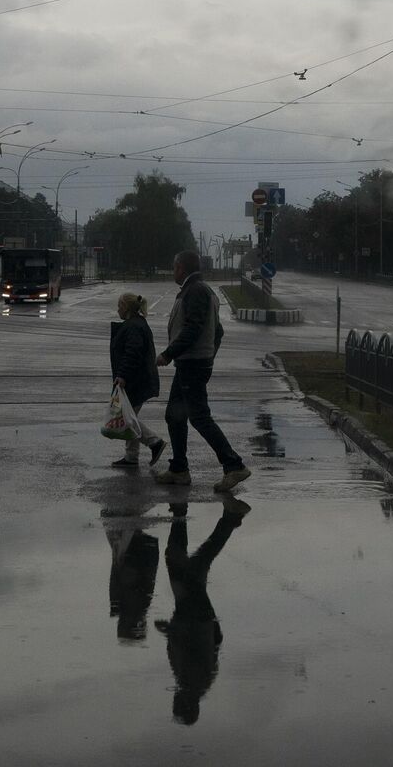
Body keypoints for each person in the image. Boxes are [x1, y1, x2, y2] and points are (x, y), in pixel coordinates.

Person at [154, 250, 251, 492]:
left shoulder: (195, 291)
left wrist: (169, 354)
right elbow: (218, 332)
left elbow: (193, 329)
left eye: (174, 267)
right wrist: (209, 356)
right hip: (191, 363)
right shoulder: (199, 290)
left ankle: (234, 465)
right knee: (174, 415)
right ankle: (179, 469)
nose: (173, 271)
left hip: (192, 365)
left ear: (181, 268)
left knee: (199, 417)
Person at [155, 496, 249, 725]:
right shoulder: (193, 681)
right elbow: (190, 645)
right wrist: (171, 630)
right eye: (177, 705)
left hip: (195, 617)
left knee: (191, 562)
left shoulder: (193, 683)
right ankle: (223, 517)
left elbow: (212, 644)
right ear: (186, 703)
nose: (174, 701)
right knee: (185, 562)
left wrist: (173, 630)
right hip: (193, 616)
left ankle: (198, 515)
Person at [108, 292, 166, 468]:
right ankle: (131, 457)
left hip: (134, 381)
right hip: (138, 379)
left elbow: (132, 353)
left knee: (127, 419)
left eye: (119, 306)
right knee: (130, 416)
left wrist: (122, 375)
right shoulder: (136, 324)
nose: (117, 309)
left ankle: (154, 442)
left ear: (126, 308)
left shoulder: (133, 326)